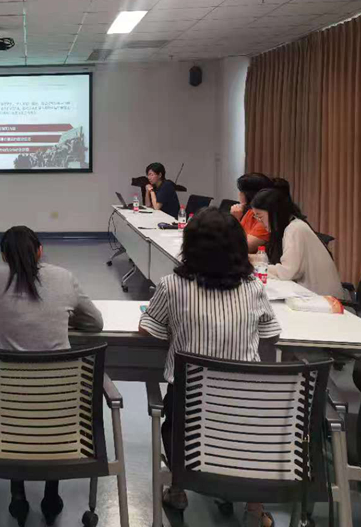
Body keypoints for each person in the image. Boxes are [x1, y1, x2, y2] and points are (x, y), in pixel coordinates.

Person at [139, 208, 282, 527]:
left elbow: (149, 330)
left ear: (189, 247)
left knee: (172, 414)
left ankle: (178, 490)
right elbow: (271, 334)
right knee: (249, 428)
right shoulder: (254, 288)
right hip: (244, 410)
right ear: (238, 248)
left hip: (188, 409)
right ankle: (255, 508)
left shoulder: (171, 285)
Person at [0, 226, 103, 524]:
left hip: (6, 405)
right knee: (50, 410)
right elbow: (95, 323)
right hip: (62, 404)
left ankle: (17, 495)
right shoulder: (64, 277)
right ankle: (51, 494)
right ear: (40, 251)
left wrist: (2, 320)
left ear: (4, 257)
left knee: (16, 409)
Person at [250, 188, 344, 298]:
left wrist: (254, 267)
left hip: (323, 299)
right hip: (313, 295)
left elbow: (287, 272)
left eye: (260, 216)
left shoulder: (295, 229)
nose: (259, 222)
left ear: (274, 213)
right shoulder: (292, 227)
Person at [230, 173, 274, 253]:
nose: (239, 194)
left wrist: (235, 219)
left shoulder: (265, 218)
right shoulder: (250, 212)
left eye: (242, 191)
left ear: (249, 194)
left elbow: (242, 247)